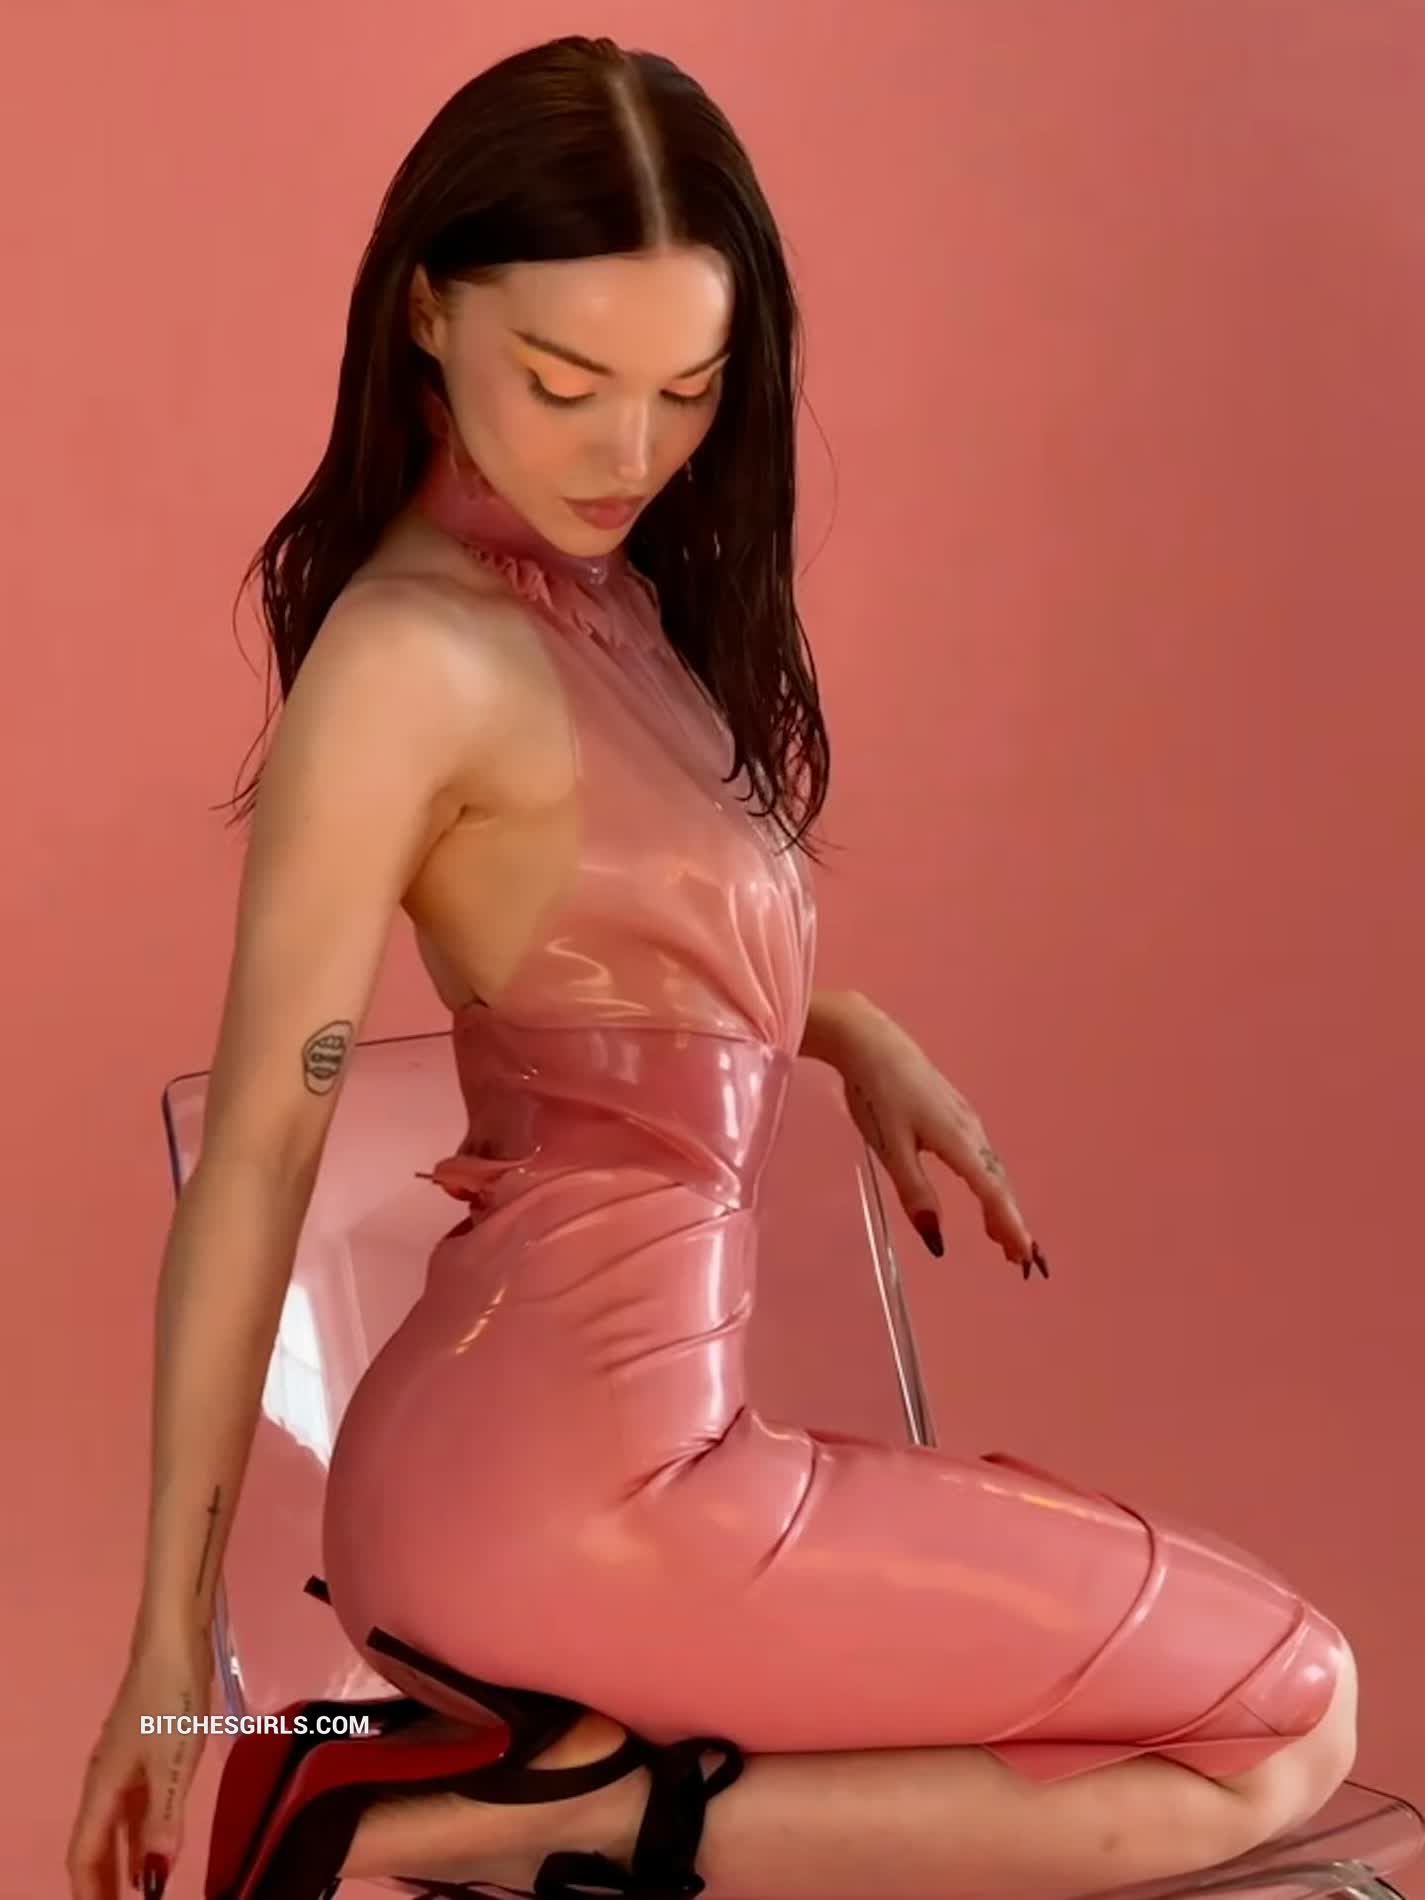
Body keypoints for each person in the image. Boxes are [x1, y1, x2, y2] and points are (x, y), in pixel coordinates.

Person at [66, 33, 1358, 1900]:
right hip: (553, 1507)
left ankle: (556, 1797)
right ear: (424, 311)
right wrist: (166, 1662)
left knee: (1273, 1712)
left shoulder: (604, 596)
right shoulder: (407, 661)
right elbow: (263, 1152)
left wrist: (842, 1028)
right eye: (563, 381)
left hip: (640, 1466)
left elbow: (593, 961)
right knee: (1281, 1716)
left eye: (686, 390)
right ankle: (472, 1816)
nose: (628, 452)